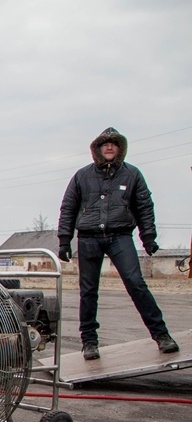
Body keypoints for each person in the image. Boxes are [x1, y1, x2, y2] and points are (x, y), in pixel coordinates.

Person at [56, 127, 179, 360]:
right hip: (89, 238)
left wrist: (149, 237)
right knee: (88, 291)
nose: (109, 147)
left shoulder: (132, 174)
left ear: (120, 148)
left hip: (120, 237)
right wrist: (64, 240)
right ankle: (89, 342)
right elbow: (68, 208)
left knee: (136, 283)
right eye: (105, 144)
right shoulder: (82, 176)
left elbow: (144, 207)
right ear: (97, 149)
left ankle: (162, 335)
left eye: (114, 144)